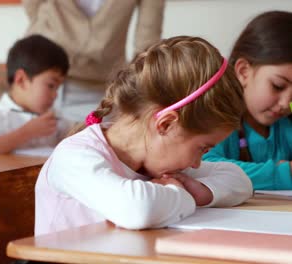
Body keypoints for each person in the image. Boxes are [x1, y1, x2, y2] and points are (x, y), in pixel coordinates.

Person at [34, 36, 253, 235]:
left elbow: (240, 180)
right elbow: (137, 210)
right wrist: (181, 195)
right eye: (202, 149)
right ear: (166, 124)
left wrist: (201, 192)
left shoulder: (157, 160)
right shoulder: (74, 157)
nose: (196, 164)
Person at [23, 0, 165, 121]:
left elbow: (147, 40)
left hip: (102, 83)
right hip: (41, 71)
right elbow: (34, 9)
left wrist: (133, 87)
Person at [203, 11, 292, 190]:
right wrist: (285, 173)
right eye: (278, 86)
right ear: (244, 71)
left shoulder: (286, 126)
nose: (286, 103)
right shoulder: (215, 117)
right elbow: (204, 168)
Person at [0, 34, 73, 156]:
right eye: (51, 86)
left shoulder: (50, 115)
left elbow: (71, 134)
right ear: (21, 80)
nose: (56, 95)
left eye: (58, 88)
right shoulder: (1, 115)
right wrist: (27, 132)